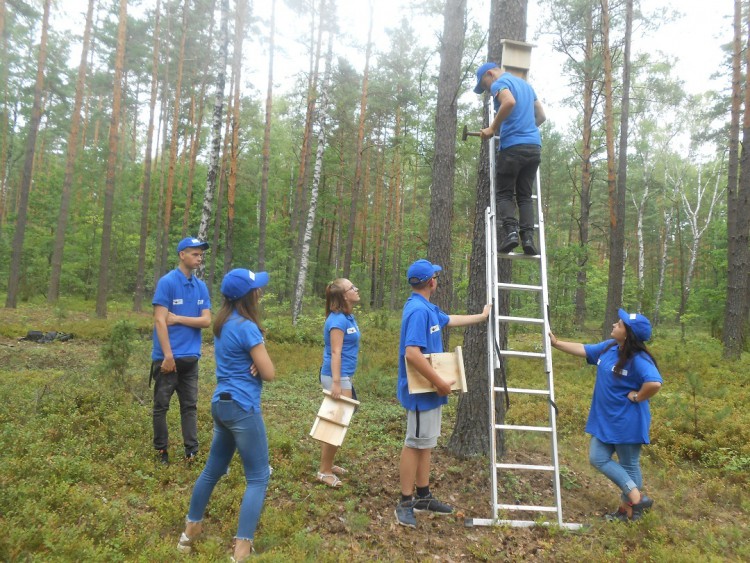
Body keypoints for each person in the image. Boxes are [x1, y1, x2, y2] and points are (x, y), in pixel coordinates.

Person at [177, 268, 275, 561]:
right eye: (256, 288)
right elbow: (269, 373)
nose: (260, 291)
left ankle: (189, 532)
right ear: (249, 295)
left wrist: (255, 353)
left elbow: (247, 357)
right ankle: (241, 549)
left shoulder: (223, 323)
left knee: (213, 470)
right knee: (258, 477)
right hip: (243, 408)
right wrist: (260, 355)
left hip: (221, 404)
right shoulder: (247, 327)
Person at [394, 259, 491, 528]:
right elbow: (412, 353)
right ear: (431, 282)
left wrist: (481, 317)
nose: (437, 280)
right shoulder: (416, 311)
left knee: (426, 443)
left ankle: (423, 496)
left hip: (431, 391)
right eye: (436, 276)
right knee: (414, 443)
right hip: (419, 392)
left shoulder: (428, 308)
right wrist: (439, 382)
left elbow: (450, 320)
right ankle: (405, 501)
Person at [549, 309, 663, 522]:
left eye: (619, 324)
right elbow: (585, 349)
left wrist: (638, 397)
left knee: (629, 465)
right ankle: (636, 499)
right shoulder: (610, 348)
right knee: (597, 458)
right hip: (606, 420)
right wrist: (556, 343)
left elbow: (654, 383)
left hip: (627, 422)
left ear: (628, 334)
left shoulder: (639, 359)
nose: (614, 325)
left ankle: (628, 511)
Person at [474, 62, 546, 255]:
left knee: (505, 193)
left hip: (513, 148)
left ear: (490, 74)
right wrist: (527, 130)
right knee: (524, 195)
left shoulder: (500, 83)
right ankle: (528, 239)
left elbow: (509, 102)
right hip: (533, 148)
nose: (488, 90)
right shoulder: (526, 86)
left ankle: (511, 233)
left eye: (485, 85)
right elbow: (541, 116)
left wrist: (492, 128)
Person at [151, 236, 212, 465]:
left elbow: (206, 321)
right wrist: (167, 355)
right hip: (167, 359)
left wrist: (178, 318)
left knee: (190, 407)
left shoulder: (201, 287)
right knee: (161, 407)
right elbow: (160, 321)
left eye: (201, 254)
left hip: (190, 359)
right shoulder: (167, 282)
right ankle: (161, 452)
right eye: (195, 254)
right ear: (182, 255)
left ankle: (191, 453)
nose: (199, 258)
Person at [317, 278, 361, 488]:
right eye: (352, 288)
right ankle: (324, 471)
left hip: (344, 376)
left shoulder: (348, 317)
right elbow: (335, 352)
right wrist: (336, 383)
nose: (356, 289)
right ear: (344, 295)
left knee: (340, 422)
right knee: (336, 423)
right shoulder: (337, 320)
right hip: (336, 376)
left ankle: (329, 464)